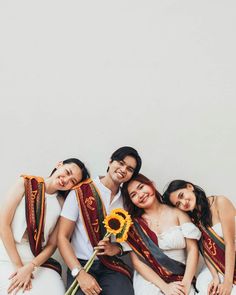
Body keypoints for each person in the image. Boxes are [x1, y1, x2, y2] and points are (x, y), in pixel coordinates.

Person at [58, 146, 142, 295]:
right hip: (81, 264)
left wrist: (116, 248)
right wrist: (80, 274)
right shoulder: (80, 191)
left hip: (110, 265)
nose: (123, 169)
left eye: (129, 169)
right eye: (121, 163)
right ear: (110, 161)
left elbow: (133, 237)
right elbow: (62, 237)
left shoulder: (128, 200)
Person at [0, 158, 89, 295]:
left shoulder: (62, 203)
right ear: (59, 165)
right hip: (6, 254)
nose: (66, 180)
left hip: (36, 261)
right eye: (67, 172)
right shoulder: (25, 183)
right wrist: (18, 267)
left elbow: (52, 244)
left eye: (72, 181)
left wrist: (30, 267)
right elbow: (3, 224)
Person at [122, 174, 201, 295]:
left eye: (141, 187)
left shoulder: (178, 213)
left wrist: (185, 283)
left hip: (181, 275)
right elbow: (137, 263)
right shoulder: (133, 225)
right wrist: (165, 287)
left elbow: (193, 249)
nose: (140, 195)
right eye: (133, 195)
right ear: (131, 201)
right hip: (150, 279)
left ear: (151, 185)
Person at [163, 180, 236, 295]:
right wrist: (215, 277)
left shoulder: (220, 202)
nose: (183, 203)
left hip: (232, 259)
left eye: (181, 196)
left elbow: (230, 244)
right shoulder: (194, 219)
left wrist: (227, 282)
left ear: (189, 187)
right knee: (204, 284)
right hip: (218, 266)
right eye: (178, 204)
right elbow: (206, 252)